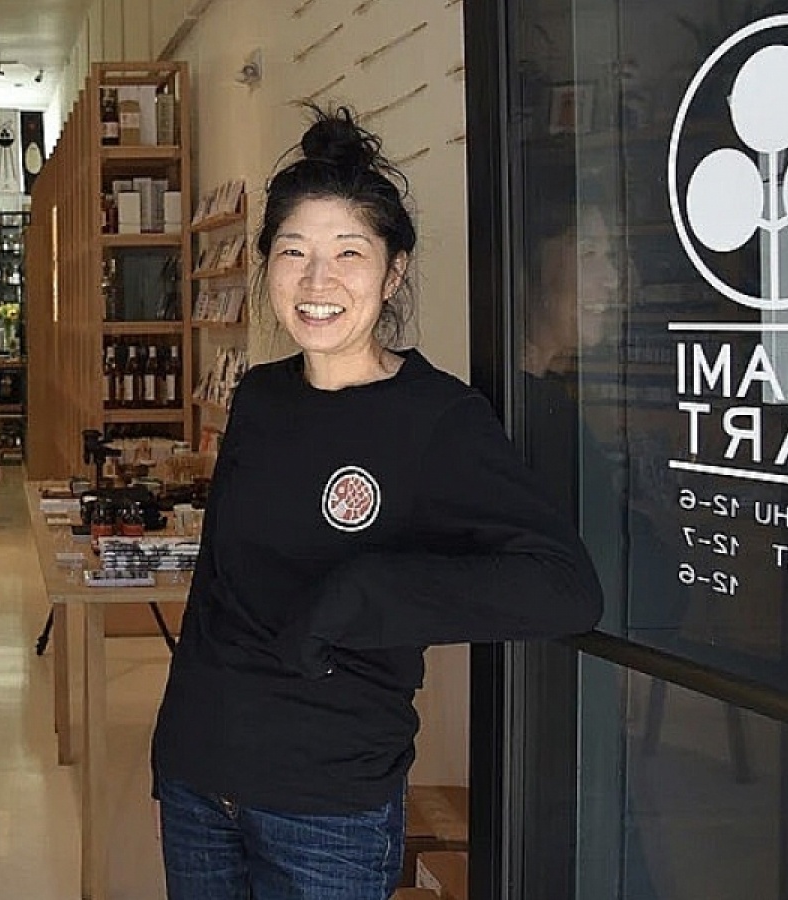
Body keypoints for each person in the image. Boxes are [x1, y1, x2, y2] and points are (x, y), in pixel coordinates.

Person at [149, 106, 604, 900]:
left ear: (393, 272)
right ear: (267, 266)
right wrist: (178, 739)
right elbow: (216, 585)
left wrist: (370, 592)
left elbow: (563, 589)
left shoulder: (437, 420)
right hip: (200, 774)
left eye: (347, 254)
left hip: (326, 801)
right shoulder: (257, 398)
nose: (316, 282)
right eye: (293, 253)